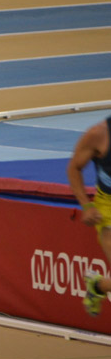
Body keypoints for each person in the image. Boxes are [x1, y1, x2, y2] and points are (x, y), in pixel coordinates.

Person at [67, 115, 111, 316]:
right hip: (107, 211)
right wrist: (87, 205)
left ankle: (97, 286)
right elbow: (74, 168)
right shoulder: (98, 134)